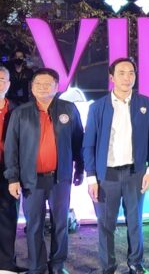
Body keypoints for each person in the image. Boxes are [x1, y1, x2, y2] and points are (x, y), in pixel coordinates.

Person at [4, 68, 84, 274]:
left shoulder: (68, 109)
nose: (42, 87)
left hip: (60, 179)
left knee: (60, 225)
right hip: (31, 180)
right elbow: (12, 148)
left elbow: (78, 141)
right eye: (38, 84)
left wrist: (80, 168)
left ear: (56, 87)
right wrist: (12, 178)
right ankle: (36, 267)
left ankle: (57, 265)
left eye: (47, 84)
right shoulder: (20, 113)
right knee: (34, 226)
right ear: (32, 87)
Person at [83, 58, 149, 274]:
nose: (127, 77)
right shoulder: (98, 107)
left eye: (131, 73)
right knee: (106, 225)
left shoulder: (145, 103)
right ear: (112, 77)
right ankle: (108, 267)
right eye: (121, 73)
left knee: (135, 223)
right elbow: (89, 144)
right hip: (107, 176)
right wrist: (91, 177)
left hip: (135, 173)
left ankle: (136, 264)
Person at [0, 67, 25, 273]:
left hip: (9, 170)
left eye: (2, 79)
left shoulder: (18, 110)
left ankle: (5, 263)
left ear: (8, 84)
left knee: (8, 216)